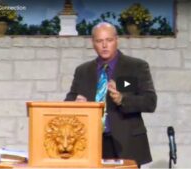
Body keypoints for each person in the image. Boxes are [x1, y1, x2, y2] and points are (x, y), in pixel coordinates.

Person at [65, 22, 157, 166]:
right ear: (93, 43)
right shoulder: (83, 71)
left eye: (109, 40)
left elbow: (150, 101)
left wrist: (122, 99)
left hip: (126, 143)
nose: (104, 45)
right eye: (99, 41)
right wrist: (76, 105)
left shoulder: (135, 67)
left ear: (117, 40)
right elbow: (69, 101)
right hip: (90, 142)